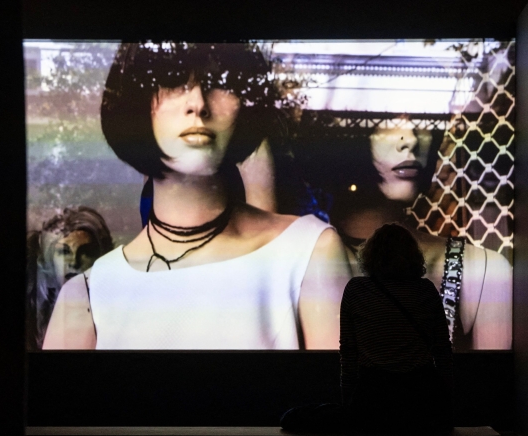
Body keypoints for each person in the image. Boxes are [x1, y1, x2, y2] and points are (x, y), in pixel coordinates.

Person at [42, 42, 351, 350]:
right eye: (172, 78)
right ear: (136, 103)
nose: (198, 103)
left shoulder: (309, 252)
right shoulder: (87, 297)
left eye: (220, 81)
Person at [299, 115, 512, 350]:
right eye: (387, 119)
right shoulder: (295, 262)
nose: (409, 140)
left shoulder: (481, 270)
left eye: (422, 120)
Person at [340, 224, 454, 431]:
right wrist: (447, 393)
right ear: (412, 254)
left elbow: (348, 349)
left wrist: (348, 397)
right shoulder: (425, 290)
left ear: (370, 255)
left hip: (372, 393)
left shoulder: (357, 289)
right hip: (420, 393)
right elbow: (442, 348)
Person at [26, 206, 113, 350]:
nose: (74, 262)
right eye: (64, 252)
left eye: (85, 252)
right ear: (50, 258)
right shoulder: (34, 310)